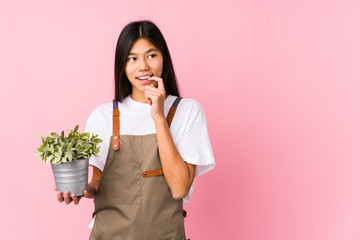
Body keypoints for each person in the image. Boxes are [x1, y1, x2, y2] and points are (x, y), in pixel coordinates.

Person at [54, 20, 215, 239]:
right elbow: (99, 183)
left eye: (151, 55)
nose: (143, 67)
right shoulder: (102, 116)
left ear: (163, 58)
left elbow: (179, 189)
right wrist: (80, 192)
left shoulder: (187, 111)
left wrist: (158, 116)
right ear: (122, 65)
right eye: (132, 58)